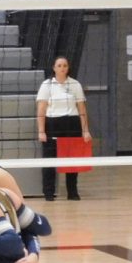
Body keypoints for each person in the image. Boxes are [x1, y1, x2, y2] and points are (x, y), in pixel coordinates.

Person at [35, 55, 92, 201]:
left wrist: (85, 130)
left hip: (72, 124)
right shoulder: (47, 85)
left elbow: (82, 109)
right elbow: (41, 110)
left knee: (72, 161)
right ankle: (48, 193)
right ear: (54, 68)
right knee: (49, 161)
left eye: (65, 65)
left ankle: (72, 192)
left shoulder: (75, 85)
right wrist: (41, 131)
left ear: (68, 68)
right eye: (59, 66)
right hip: (52, 124)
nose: (62, 68)